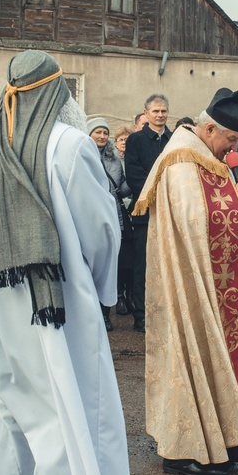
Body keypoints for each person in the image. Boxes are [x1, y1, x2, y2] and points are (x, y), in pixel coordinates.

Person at [0, 50, 128, 474]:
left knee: (18, 405)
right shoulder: (71, 144)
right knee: (77, 407)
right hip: (61, 301)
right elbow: (102, 231)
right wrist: (102, 289)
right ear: (57, 92)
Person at [132, 88, 238, 475]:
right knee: (188, 357)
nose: (231, 149)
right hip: (188, 288)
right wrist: (237, 204)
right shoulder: (181, 161)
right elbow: (197, 224)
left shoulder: (201, 156)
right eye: (229, 140)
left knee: (213, 358)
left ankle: (220, 441)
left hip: (208, 283)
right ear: (210, 129)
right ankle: (182, 450)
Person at [125, 93, 172, 332]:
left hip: (171, 213)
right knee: (143, 266)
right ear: (146, 114)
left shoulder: (174, 140)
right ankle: (141, 314)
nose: (160, 115)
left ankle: (165, 313)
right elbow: (133, 174)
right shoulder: (136, 140)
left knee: (168, 266)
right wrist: (158, 193)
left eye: (163, 111)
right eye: (155, 111)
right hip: (145, 213)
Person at [88, 117, 132, 331]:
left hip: (113, 214)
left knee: (109, 268)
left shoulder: (114, 159)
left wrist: (131, 183)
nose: (102, 136)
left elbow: (121, 188)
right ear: (89, 134)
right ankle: (91, 313)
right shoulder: (82, 157)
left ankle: (105, 314)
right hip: (90, 215)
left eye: (105, 133)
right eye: (98, 132)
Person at [112, 125, 135, 316]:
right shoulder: (113, 160)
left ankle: (128, 294)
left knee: (130, 256)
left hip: (132, 207)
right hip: (119, 209)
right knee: (120, 256)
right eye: (121, 140)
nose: (124, 143)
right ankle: (119, 294)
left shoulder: (132, 157)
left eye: (127, 139)